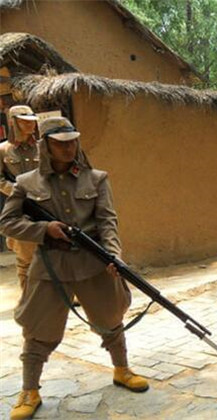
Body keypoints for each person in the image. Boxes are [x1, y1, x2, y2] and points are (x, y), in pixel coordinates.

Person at [0, 116, 149, 420]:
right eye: (61, 143)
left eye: (72, 142)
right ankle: (30, 390)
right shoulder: (27, 183)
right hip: (50, 266)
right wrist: (44, 229)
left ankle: (122, 369)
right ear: (46, 146)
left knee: (110, 318)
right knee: (37, 328)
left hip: (93, 262)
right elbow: (7, 223)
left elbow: (108, 221)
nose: (69, 148)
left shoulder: (96, 178)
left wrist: (113, 255)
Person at [0, 105, 40, 289]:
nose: (30, 125)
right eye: (24, 121)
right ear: (13, 122)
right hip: (20, 210)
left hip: (45, 206)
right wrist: (18, 191)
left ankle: (65, 295)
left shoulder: (43, 148)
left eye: (32, 121)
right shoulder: (3, 150)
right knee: (25, 257)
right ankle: (27, 298)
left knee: (57, 253)